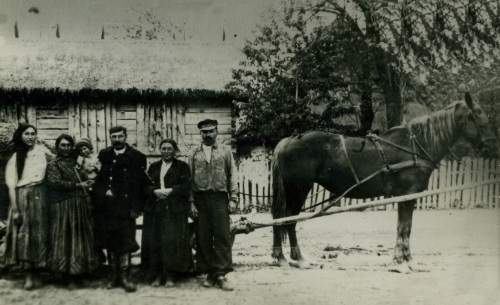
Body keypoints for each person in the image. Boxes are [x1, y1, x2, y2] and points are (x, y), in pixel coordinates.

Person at [92, 126, 146, 293]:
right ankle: (113, 276)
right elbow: (99, 180)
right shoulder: (105, 154)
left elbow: (140, 185)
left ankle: (125, 277)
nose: (117, 139)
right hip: (106, 207)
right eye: (113, 136)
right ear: (110, 137)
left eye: (120, 136)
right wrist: (101, 195)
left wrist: (136, 208)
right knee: (109, 241)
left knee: (125, 242)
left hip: (125, 207)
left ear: (125, 136)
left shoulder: (137, 156)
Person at [189, 119, 238, 291]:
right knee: (203, 237)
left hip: (219, 198)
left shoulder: (225, 151)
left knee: (222, 236)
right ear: (200, 134)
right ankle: (209, 273)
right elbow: (189, 179)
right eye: (204, 132)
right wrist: (192, 203)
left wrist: (233, 198)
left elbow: (232, 175)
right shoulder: (194, 153)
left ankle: (221, 274)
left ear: (216, 131)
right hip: (201, 199)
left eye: (211, 131)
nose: (208, 134)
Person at [3, 124, 51, 290]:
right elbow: (11, 186)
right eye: (27, 134)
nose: (30, 137)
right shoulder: (16, 158)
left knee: (40, 234)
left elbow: (57, 162)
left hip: (41, 195)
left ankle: (38, 272)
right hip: (23, 197)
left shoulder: (43, 153)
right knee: (26, 235)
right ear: (21, 136)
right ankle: (28, 276)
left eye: (33, 134)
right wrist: (15, 210)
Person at [46, 134, 97, 289]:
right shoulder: (54, 164)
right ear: (57, 147)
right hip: (62, 206)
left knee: (80, 239)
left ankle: (81, 273)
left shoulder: (77, 162)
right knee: (65, 240)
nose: (66, 148)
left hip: (79, 205)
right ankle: (68, 277)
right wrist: (78, 185)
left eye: (69, 145)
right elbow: (55, 183)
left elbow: (87, 178)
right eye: (63, 145)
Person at [142, 139, 192, 288]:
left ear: (175, 151)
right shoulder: (154, 167)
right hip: (155, 208)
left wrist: (171, 190)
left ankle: (170, 275)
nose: (166, 152)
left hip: (174, 209)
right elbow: (145, 185)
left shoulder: (182, 167)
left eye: (169, 149)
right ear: (160, 150)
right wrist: (154, 191)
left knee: (171, 242)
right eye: (163, 149)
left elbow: (187, 186)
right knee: (155, 241)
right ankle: (157, 275)